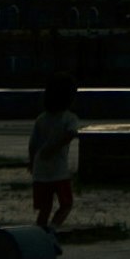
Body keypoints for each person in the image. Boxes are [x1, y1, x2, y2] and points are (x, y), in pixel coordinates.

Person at [26, 76, 83, 234]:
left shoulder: (41, 119)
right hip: (58, 170)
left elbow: (32, 144)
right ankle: (52, 229)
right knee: (66, 204)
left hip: (40, 169)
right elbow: (71, 134)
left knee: (45, 208)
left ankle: (38, 233)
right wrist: (53, 148)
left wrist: (32, 162)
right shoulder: (70, 118)